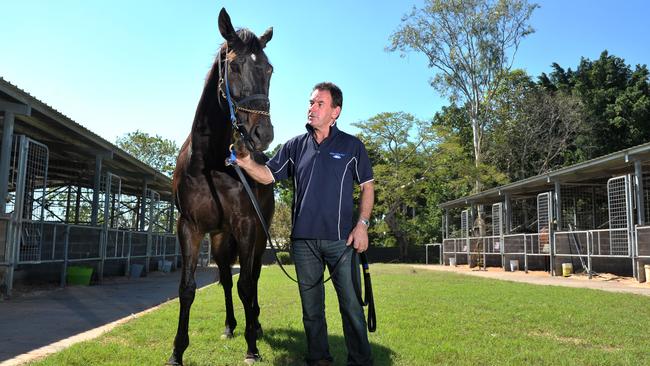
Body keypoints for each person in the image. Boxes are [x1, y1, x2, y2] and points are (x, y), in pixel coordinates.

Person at [234, 82, 374, 366]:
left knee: (351, 308)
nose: (312, 108)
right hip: (304, 243)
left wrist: (362, 225)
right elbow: (267, 175)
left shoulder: (352, 146)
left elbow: (368, 188)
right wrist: (246, 162)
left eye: (319, 104)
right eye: (311, 103)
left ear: (335, 111)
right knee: (312, 310)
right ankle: (318, 358)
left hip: (342, 242)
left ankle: (360, 361)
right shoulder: (294, 146)